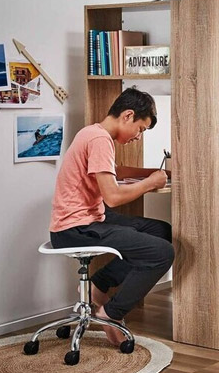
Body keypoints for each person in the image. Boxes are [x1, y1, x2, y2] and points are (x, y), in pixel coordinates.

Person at [49, 87, 173, 346]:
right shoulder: (99, 139)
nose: (139, 137)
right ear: (128, 115)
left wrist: (158, 173)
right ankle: (112, 313)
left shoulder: (93, 133)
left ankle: (99, 285)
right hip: (74, 229)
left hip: (89, 220)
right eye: (141, 129)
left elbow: (117, 170)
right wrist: (150, 183)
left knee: (160, 230)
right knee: (162, 252)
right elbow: (113, 197)